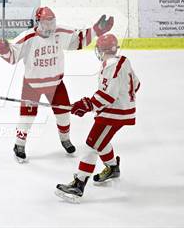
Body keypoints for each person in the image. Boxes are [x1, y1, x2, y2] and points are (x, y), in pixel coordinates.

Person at [0, 7, 114, 163]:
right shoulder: (28, 38)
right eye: (46, 22)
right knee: (26, 117)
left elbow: (78, 39)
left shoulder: (59, 32)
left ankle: (65, 140)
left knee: (63, 115)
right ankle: (19, 144)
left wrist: (96, 30)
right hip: (32, 86)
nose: (50, 26)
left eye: (52, 21)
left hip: (56, 84)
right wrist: (4, 50)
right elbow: (12, 57)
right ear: (38, 22)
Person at [55, 33, 140, 202]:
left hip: (114, 114)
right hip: (118, 110)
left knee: (91, 145)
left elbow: (107, 96)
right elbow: (136, 84)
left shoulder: (110, 66)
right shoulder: (123, 60)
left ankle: (78, 185)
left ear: (101, 50)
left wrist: (87, 104)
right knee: (101, 141)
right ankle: (113, 168)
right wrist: (91, 104)